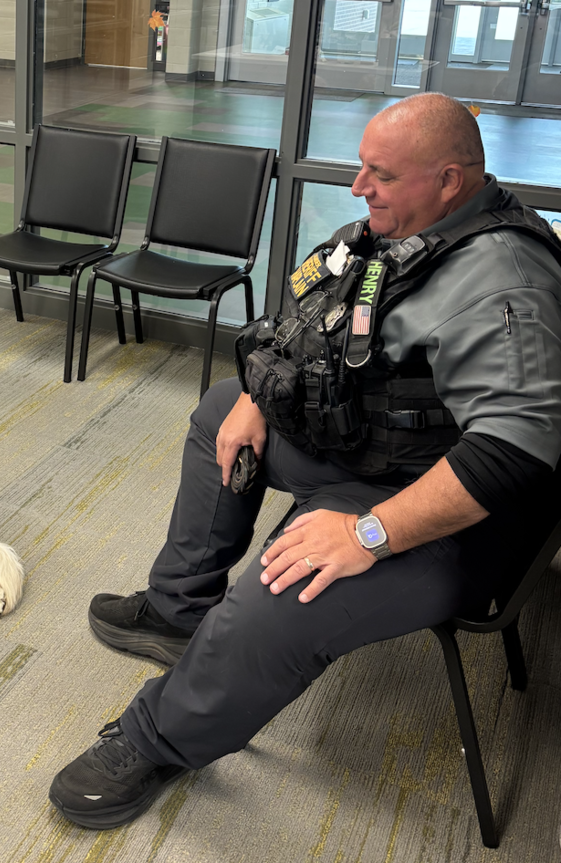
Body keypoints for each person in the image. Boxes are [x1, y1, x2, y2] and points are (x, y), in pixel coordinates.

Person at [48, 93, 561, 829]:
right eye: (361, 167)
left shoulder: (504, 280)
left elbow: (509, 457)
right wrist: (262, 392)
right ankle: (179, 609)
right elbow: (319, 320)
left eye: (379, 173)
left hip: (448, 517)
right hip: (378, 449)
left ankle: (157, 737)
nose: (358, 187)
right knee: (221, 411)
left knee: (281, 588)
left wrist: (364, 535)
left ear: (449, 180)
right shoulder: (411, 229)